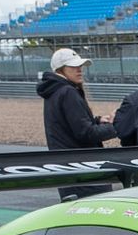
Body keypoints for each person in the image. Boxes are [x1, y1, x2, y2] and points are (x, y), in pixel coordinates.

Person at [37, 47, 117, 200]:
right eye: (73, 66)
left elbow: (69, 125)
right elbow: (86, 133)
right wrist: (115, 127)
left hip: (66, 168)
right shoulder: (68, 92)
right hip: (84, 170)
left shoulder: (54, 91)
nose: (79, 70)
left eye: (80, 66)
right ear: (60, 70)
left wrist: (97, 120)